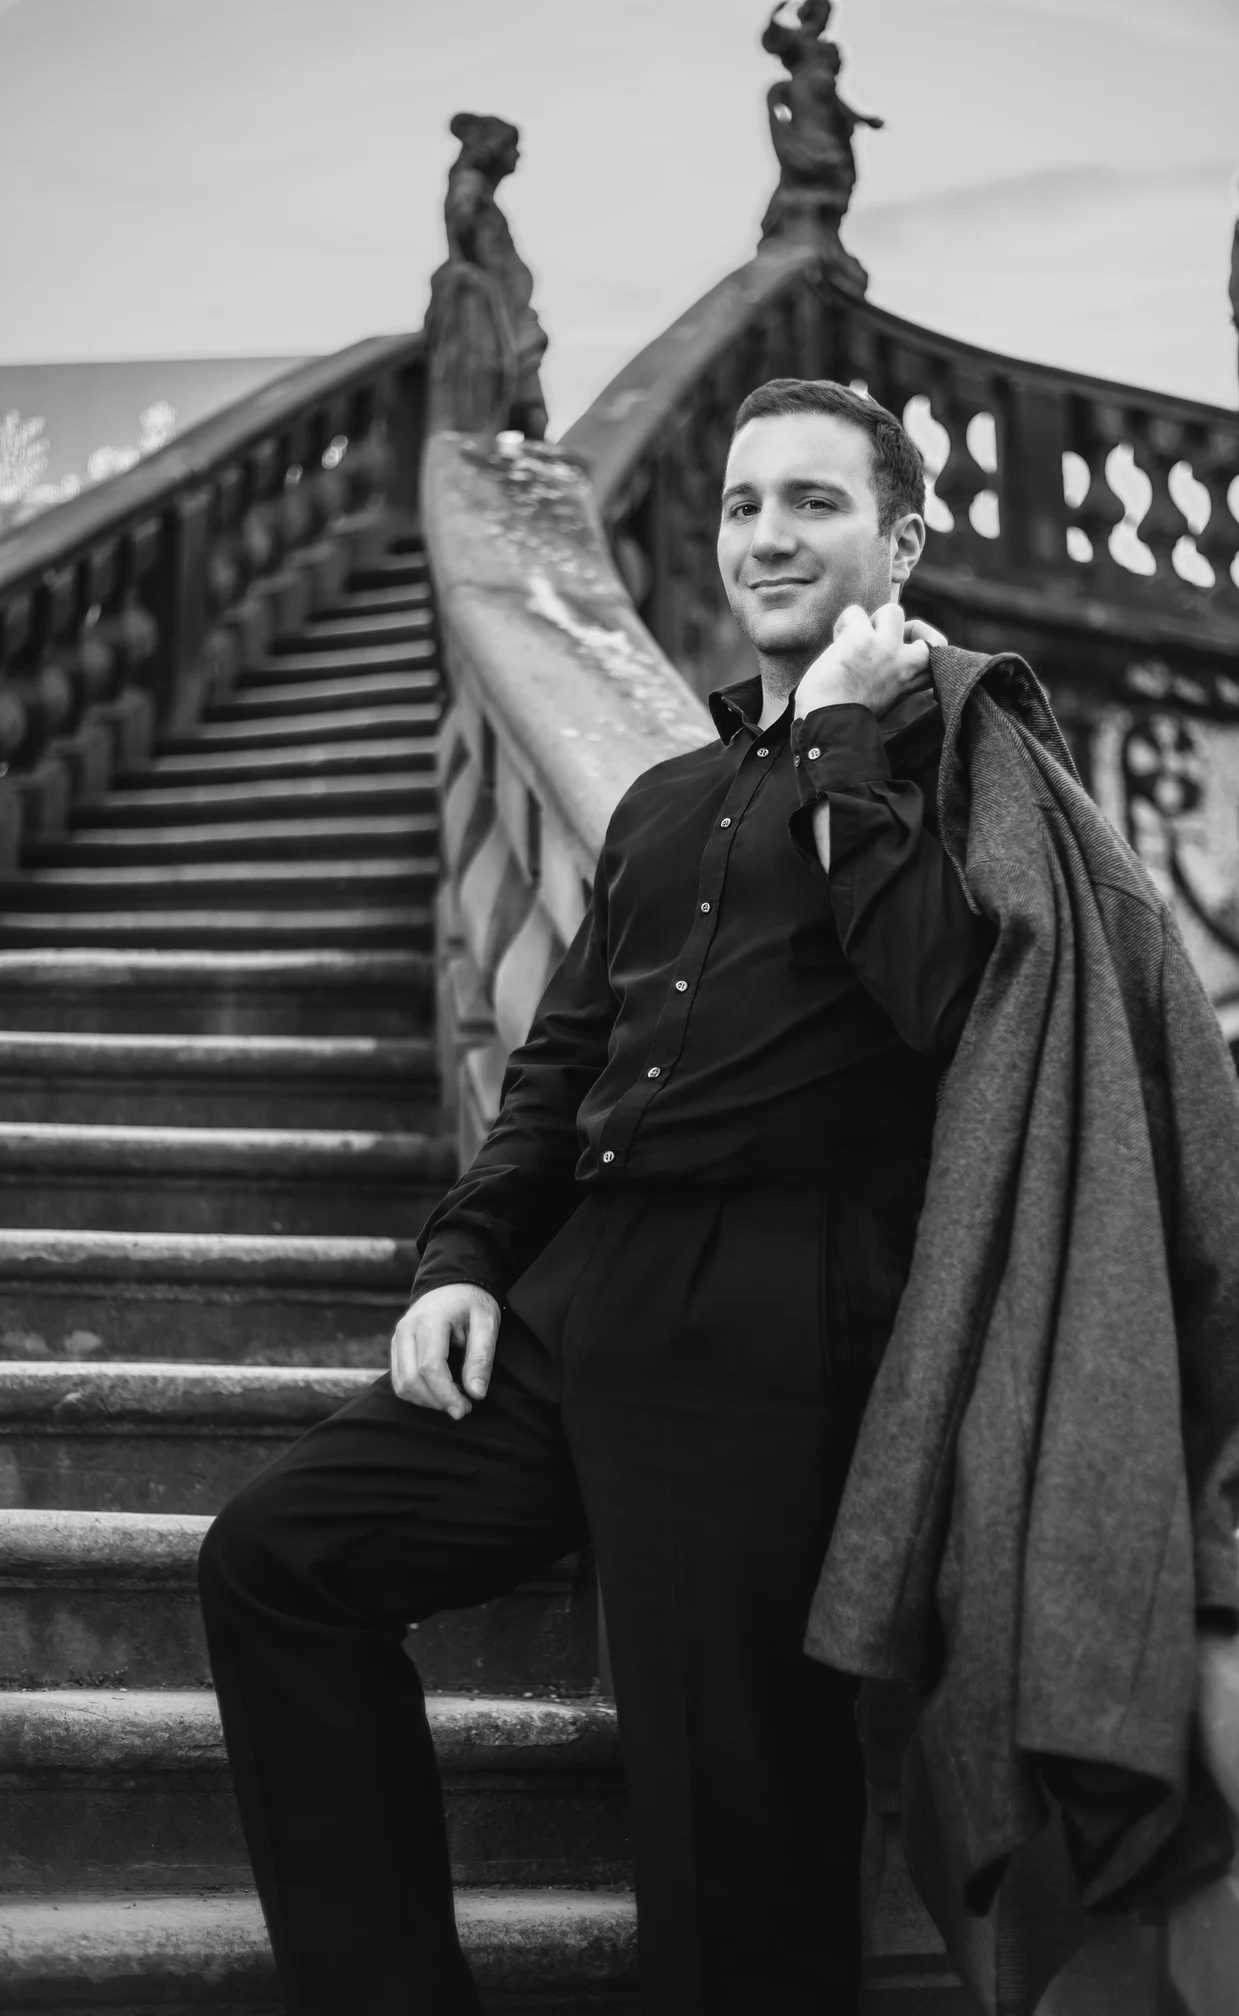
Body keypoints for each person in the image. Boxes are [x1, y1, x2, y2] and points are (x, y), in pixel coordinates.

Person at [198, 377, 996, 2014]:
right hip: (584, 1295)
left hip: (776, 1321)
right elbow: (558, 1064)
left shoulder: (964, 759)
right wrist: (463, 1258)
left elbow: (944, 997)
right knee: (275, 1558)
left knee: (731, 1824)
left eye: (814, 504)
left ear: (902, 538)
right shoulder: (667, 797)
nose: (766, 535)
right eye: (743, 505)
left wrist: (845, 732)